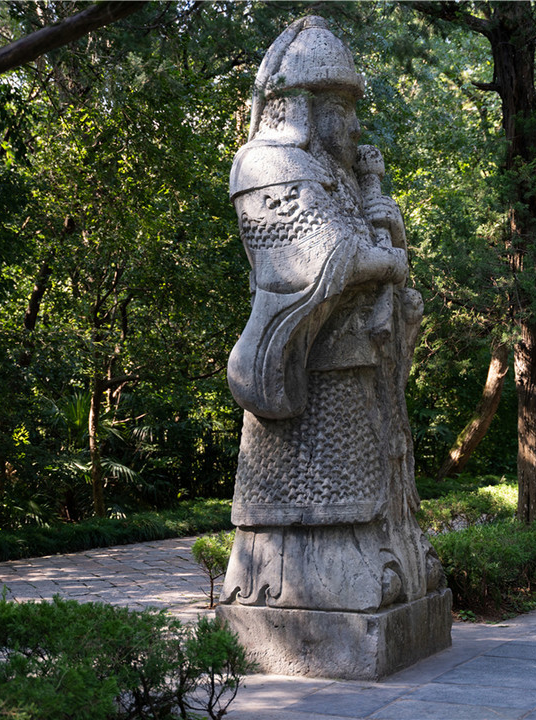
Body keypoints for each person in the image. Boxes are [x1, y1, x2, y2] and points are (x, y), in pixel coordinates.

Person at [222, 16, 440, 614]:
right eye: (340, 109)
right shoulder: (266, 166)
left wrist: (377, 208)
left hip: (362, 357)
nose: (351, 124)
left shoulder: (337, 175)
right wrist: (385, 262)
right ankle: (300, 578)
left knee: (370, 468)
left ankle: (387, 555)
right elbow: (321, 255)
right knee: (318, 480)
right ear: (302, 108)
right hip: (310, 359)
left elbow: (377, 240)